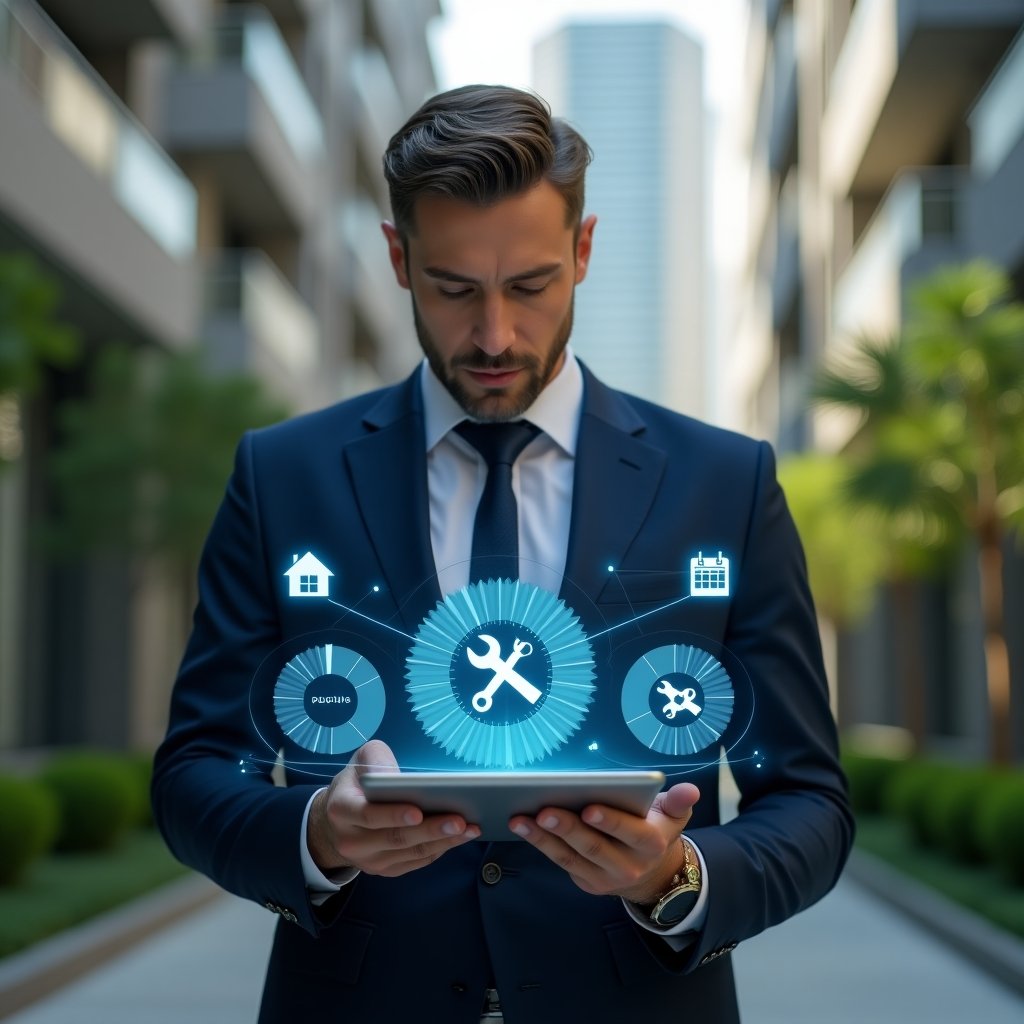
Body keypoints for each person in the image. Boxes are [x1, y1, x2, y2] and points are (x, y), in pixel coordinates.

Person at [152, 84, 853, 1024]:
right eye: (454, 290)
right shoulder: (282, 477)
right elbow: (197, 771)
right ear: (399, 261)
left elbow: (809, 800)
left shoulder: (725, 485)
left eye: (530, 286)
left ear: (584, 251)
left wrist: (677, 876)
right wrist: (318, 832)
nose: (494, 336)